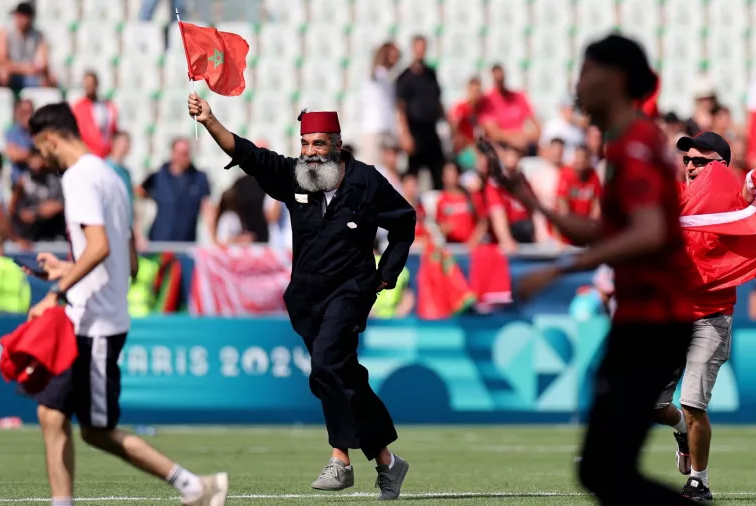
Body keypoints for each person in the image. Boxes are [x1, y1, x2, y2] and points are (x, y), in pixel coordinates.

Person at [189, 94, 415, 500]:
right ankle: (387, 462)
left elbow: (405, 222)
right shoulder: (293, 175)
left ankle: (339, 460)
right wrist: (210, 121)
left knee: (328, 363)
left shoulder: (366, 181)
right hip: (307, 296)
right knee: (338, 374)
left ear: (337, 144)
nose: (310, 152)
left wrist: (387, 273)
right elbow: (249, 155)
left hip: (352, 288)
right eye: (305, 143)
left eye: (318, 144)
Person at [508, 34, 698, 506]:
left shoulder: (633, 143)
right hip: (644, 318)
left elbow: (648, 232)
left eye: (586, 71)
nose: (578, 84)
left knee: (604, 470)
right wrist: (535, 205)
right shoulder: (627, 141)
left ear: (613, 80)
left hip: (653, 320)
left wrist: (557, 270)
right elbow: (607, 228)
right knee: (605, 471)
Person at [22, 102, 228, 506]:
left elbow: (99, 247)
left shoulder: (79, 178)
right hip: (92, 318)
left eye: (39, 148)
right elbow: (128, 260)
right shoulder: (112, 177)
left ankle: (195, 487)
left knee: (96, 430)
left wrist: (54, 293)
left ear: (49, 138)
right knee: (52, 414)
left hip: (94, 325)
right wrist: (68, 267)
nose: (41, 158)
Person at [653, 131, 756, 502]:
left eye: (700, 161)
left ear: (721, 168)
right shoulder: (675, 200)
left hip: (711, 316)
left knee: (694, 403)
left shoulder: (732, 202)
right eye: (687, 160)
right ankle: (680, 431)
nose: (690, 166)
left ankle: (700, 481)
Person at [396, 35, 445, 190]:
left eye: (423, 48)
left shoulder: (431, 73)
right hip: (415, 130)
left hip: (431, 129)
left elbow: (437, 101)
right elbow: (401, 108)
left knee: (439, 171)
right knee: (413, 173)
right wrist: (405, 134)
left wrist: (448, 123)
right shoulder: (404, 77)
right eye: (418, 47)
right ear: (413, 49)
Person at [0, 2, 52, 89]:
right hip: (13, 73)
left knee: (48, 79)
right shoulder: (4, 32)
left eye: (26, 17)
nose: (23, 21)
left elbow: (43, 62)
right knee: (4, 74)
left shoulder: (38, 35)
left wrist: (35, 69)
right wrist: (25, 69)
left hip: (31, 75)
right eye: (21, 16)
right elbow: (2, 61)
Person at [72, 71, 118, 158]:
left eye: (92, 83)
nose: (89, 87)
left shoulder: (106, 106)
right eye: (87, 84)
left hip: (105, 154)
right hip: (86, 153)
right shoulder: (78, 107)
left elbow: (112, 129)